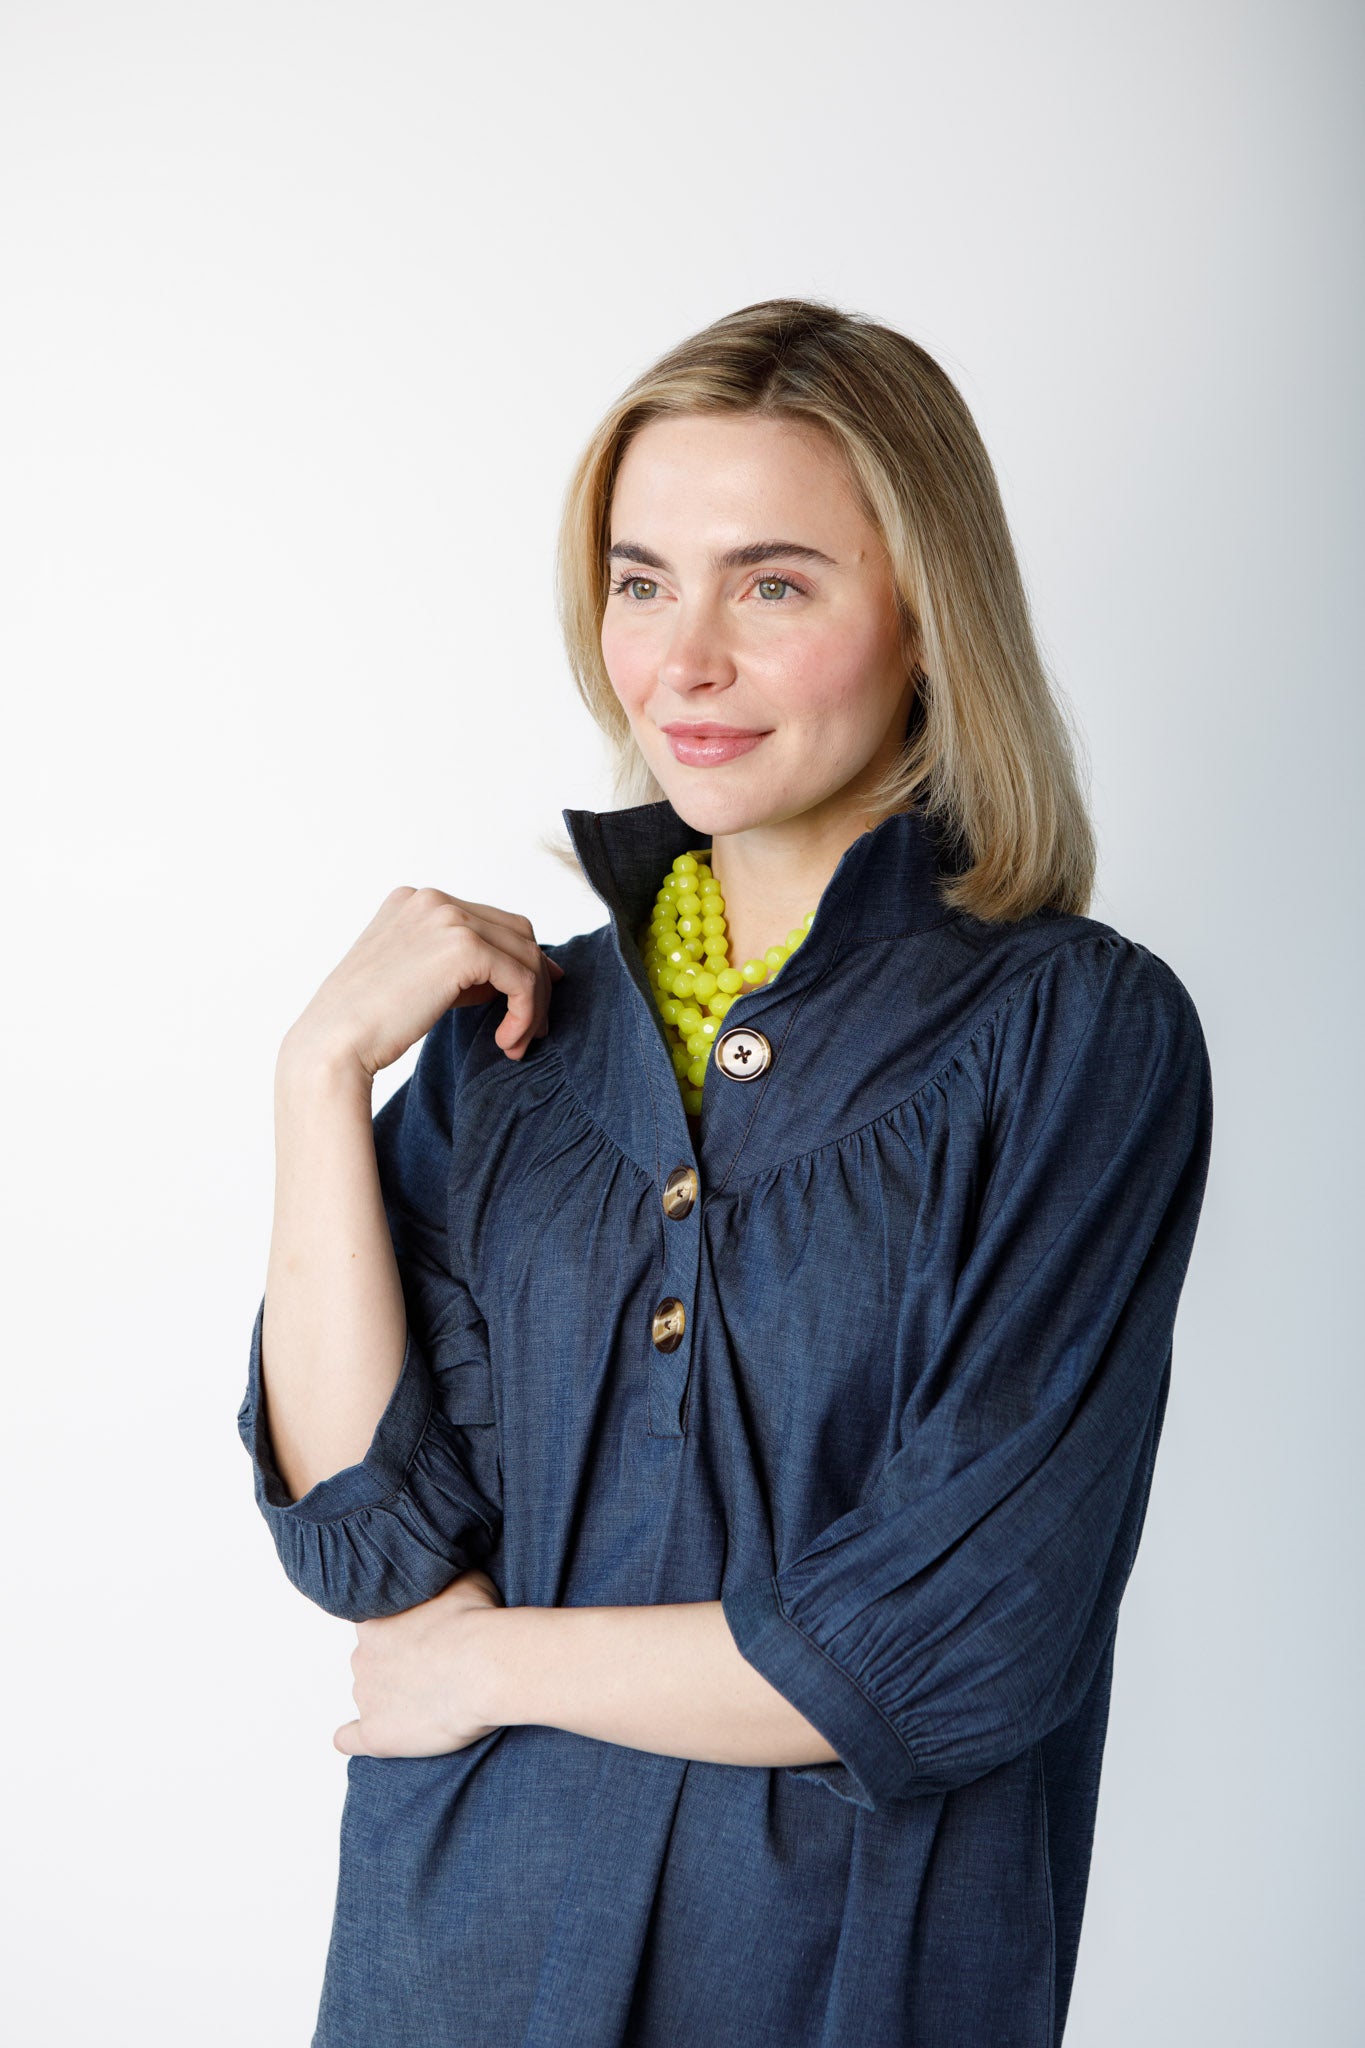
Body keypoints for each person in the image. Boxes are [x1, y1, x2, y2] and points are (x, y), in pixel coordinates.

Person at [237, 298, 1214, 2048]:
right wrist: (318, 1079)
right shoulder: (510, 1046)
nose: (681, 661)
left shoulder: (1072, 1033)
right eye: (639, 582)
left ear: (925, 616)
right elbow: (372, 1541)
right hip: (462, 1958)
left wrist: (491, 1665)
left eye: (771, 585)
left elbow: (949, 1637)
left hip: (840, 1974)